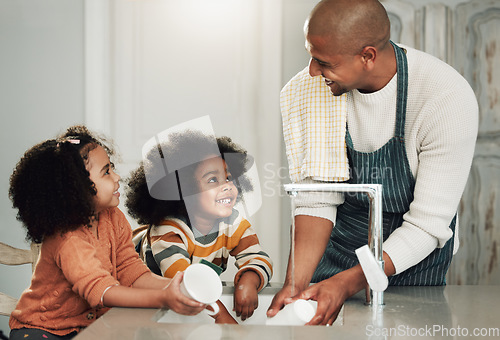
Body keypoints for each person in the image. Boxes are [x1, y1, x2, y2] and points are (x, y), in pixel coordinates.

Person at [268, 0, 478, 326]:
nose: (311, 70)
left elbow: (427, 225)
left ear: (367, 56)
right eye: (311, 55)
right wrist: (296, 283)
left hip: (413, 264)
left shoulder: (444, 98)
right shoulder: (310, 89)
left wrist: (351, 281)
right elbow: (316, 197)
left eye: (323, 62)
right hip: (335, 257)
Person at [8, 125, 206, 340]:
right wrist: (164, 298)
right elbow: (102, 291)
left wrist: (178, 284)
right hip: (42, 331)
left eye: (111, 167)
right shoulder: (68, 239)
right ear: (76, 189)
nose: (117, 176)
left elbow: (131, 271)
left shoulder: (113, 217)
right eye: (106, 172)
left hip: (88, 326)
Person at [125, 131, 273, 323]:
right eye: (213, 180)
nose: (227, 186)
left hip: (186, 300)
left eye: (228, 177)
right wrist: (221, 314)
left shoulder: (234, 224)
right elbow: (185, 283)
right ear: (185, 191)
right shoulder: (167, 231)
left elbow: (259, 258)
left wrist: (249, 281)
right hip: (143, 298)